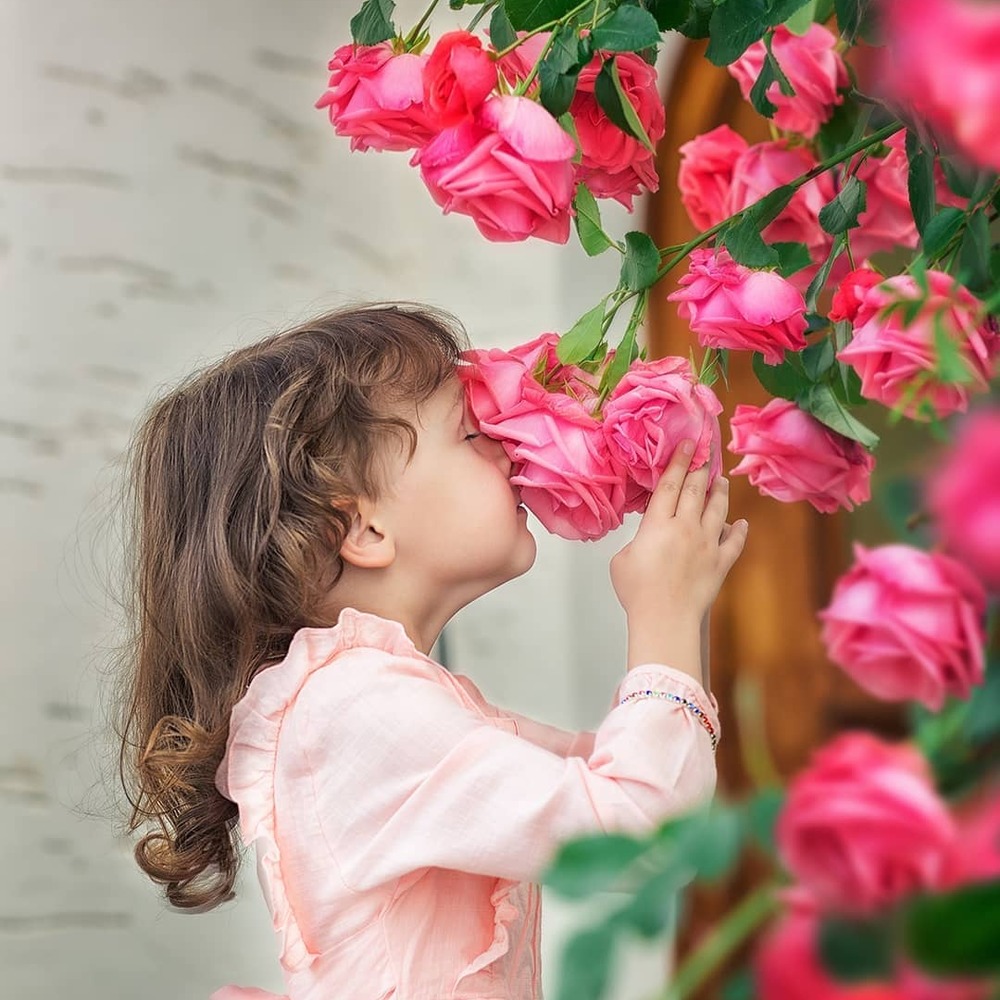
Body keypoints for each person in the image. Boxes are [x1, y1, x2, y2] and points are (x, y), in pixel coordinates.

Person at [113, 303, 748, 1000]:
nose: (507, 446)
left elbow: (627, 786)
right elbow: (638, 838)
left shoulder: (373, 699)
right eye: (471, 433)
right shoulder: (352, 709)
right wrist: (666, 616)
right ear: (360, 526)